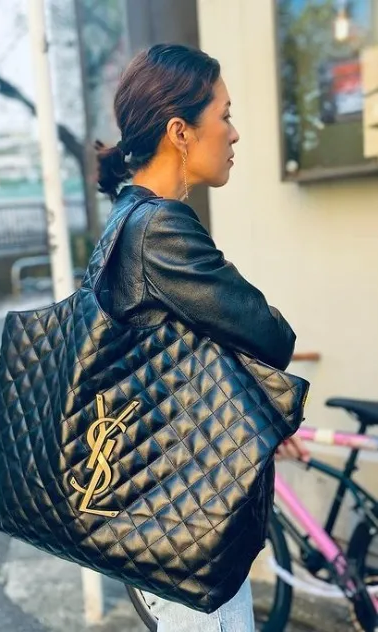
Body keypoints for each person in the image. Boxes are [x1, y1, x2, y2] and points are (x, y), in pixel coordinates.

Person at [95, 43, 308, 632]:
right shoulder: (159, 227)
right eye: (225, 114)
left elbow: (179, 359)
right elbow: (269, 334)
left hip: (160, 516)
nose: (234, 133)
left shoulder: (127, 218)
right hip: (184, 525)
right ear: (180, 132)